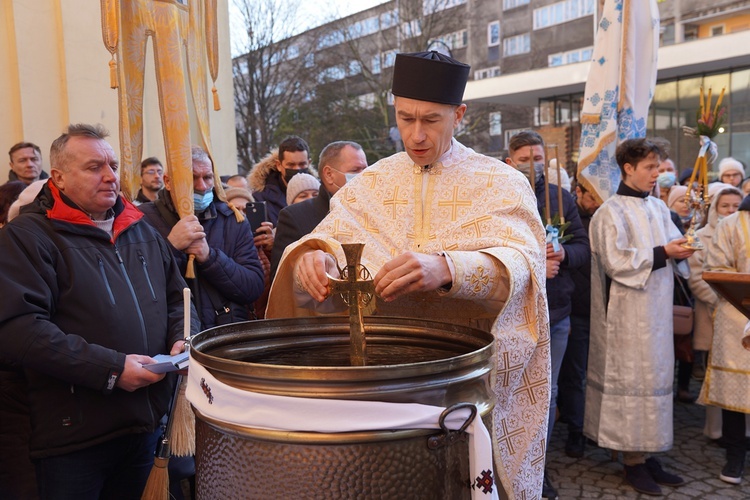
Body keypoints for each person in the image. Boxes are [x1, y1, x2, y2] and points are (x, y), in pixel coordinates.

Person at [268, 51, 550, 499]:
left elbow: (524, 268)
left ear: (459, 114)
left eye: (431, 120)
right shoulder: (370, 183)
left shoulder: (501, 182)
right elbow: (333, 240)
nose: (416, 135)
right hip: (380, 383)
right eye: (405, 118)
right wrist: (313, 258)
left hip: (463, 382)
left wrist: (449, 267)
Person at [0, 123, 198, 498]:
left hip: (145, 421)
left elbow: (178, 298)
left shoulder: (140, 229)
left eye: (112, 165)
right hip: (75, 433)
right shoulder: (27, 238)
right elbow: (18, 329)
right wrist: (110, 369)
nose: (110, 176)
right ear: (57, 177)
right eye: (94, 167)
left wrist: (181, 339)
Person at [585, 138, 696, 496]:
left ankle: (648, 455)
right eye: (650, 167)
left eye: (659, 167)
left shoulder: (660, 209)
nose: (657, 174)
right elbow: (618, 263)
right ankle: (632, 462)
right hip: (626, 317)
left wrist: (687, 245)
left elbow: (676, 247)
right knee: (634, 383)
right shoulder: (609, 213)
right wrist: (666, 251)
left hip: (658, 315)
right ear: (628, 168)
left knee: (657, 381)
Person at [506, 130, 590, 499]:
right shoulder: (500, 196)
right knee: (510, 391)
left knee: (547, 392)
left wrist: (563, 256)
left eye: (538, 158)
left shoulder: (561, 198)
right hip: (511, 313)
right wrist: (537, 263)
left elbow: (584, 249)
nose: (532, 165)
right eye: (524, 159)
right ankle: (508, 462)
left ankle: (538, 466)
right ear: (510, 161)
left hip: (555, 311)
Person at [139, 146, 265, 328]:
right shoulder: (143, 220)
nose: (202, 186)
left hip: (223, 333)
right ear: (168, 181)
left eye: (207, 177)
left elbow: (252, 287)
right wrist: (171, 247)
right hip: (169, 337)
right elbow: (138, 289)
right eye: (192, 178)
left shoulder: (232, 220)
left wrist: (209, 257)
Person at [702, 193, 750, 484]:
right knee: (736, 391)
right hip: (738, 316)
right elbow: (717, 270)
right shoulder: (732, 224)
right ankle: (735, 455)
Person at [688, 186, 743, 439]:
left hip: (737, 312)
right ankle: (719, 433)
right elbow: (701, 277)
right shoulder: (707, 234)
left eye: (735, 204)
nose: (730, 210)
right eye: (725, 205)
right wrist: (722, 301)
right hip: (724, 313)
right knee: (723, 378)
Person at [271, 141, 367, 280]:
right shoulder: (295, 217)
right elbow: (281, 278)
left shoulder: (374, 211)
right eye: (355, 170)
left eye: (365, 169)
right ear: (329, 174)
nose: (364, 175)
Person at [557, 180, 600, 459]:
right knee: (575, 376)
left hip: (605, 310)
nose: (596, 201)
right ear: (579, 193)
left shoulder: (610, 217)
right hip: (577, 310)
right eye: (591, 195)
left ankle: (597, 426)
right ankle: (576, 429)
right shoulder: (568, 218)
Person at [250, 136, 312, 225]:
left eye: (302, 164)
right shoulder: (260, 199)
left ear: (309, 163)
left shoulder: (320, 194)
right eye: (291, 165)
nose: (297, 169)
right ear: (279, 165)